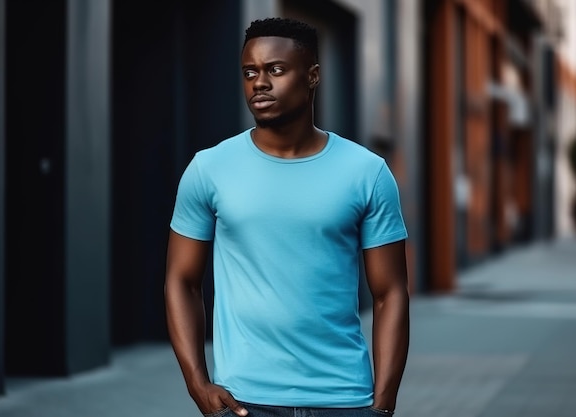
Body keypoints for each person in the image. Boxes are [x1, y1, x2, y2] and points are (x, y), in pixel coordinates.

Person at [165, 17, 409, 417]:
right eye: (250, 72)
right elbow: (181, 280)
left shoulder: (367, 172)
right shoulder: (209, 169)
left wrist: (382, 406)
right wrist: (198, 384)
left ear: (313, 76)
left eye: (275, 70)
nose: (259, 83)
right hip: (244, 402)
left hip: (345, 399)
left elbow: (391, 294)